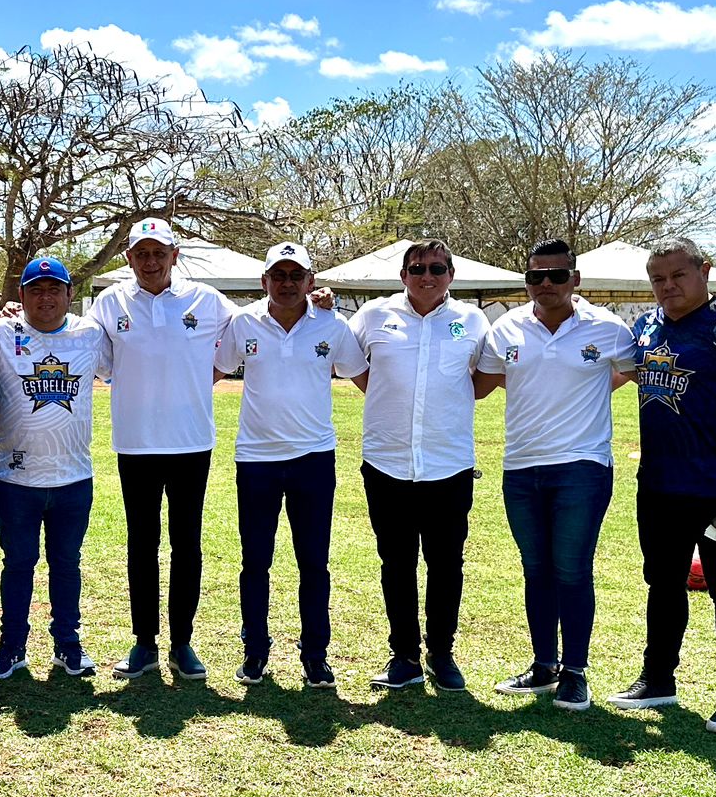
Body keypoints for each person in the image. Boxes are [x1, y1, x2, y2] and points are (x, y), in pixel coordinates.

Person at [607, 236, 716, 735]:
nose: (667, 286)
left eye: (677, 275)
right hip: (659, 485)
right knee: (663, 584)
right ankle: (658, 679)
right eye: (657, 279)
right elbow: (617, 377)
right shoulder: (647, 326)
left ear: (704, 271)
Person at [475, 239, 636, 712]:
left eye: (557, 275)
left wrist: (595, 387)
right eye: (535, 276)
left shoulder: (607, 328)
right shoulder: (506, 327)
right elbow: (482, 384)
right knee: (536, 569)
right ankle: (544, 665)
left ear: (575, 279)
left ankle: (575, 672)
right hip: (521, 467)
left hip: (582, 467)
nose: (546, 283)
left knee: (572, 569)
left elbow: (633, 371)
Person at [86, 218, 233, 681]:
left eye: (159, 252)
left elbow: (255, 324)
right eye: (142, 253)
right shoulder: (110, 302)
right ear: (129, 258)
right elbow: (81, 344)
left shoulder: (206, 299)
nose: (151, 262)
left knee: (187, 544)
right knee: (141, 544)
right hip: (136, 443)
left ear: (175, 255)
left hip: (191, 442)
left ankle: (182, 643)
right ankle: (145, 642)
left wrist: (315, 302)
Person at [214, 242, 366, 688]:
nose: (287, 283)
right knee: (255, 562)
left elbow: (366, 379)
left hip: (313, 459)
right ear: (264, 281)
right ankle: (255, 651)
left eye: (296, 275)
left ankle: (315, 655)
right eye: (278, 275)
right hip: (256, 459)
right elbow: (212, 372)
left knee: (313, 563)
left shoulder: (333, 325)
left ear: (310, 281)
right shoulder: (243, 322)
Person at [348, 239, 491, 692]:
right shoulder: (373, 315)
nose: (426, 276)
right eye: (417, 268)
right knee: (396, 563)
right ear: (403, 275)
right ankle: (404, 656)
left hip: (448, 465)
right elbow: (350, 362)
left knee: (446, 565)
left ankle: (442, 653)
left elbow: (484, 379)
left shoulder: (472, 320)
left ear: (451, 275)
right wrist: (388, 393)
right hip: (387, 462)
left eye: (436, 268)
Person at [0, 258, 106, 680]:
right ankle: (12, 645)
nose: (45, 297)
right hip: (16, 478)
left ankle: (68, 644)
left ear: (70, 294)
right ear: (21, 296)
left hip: (73, 476)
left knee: (67, 564)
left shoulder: (90, 334)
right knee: (18, 564)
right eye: (36, 289)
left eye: (54, 289)